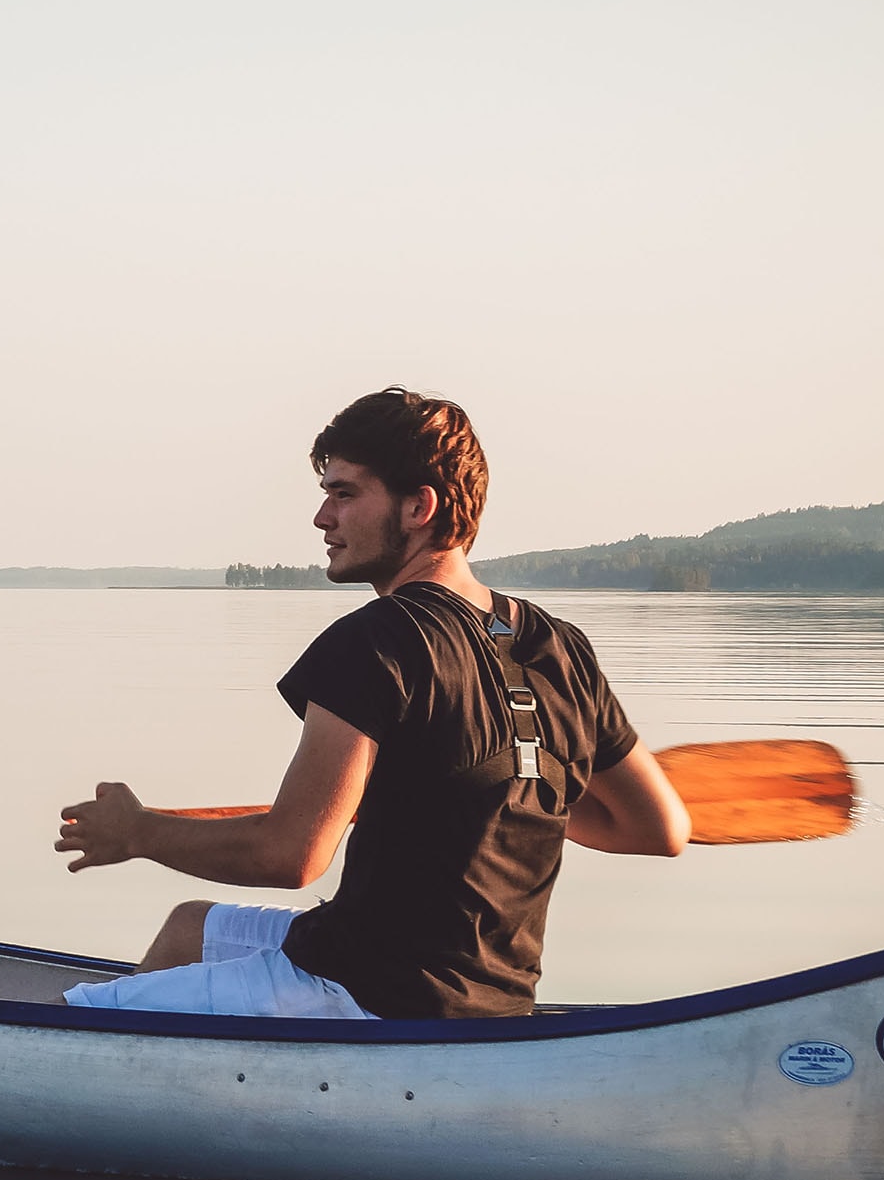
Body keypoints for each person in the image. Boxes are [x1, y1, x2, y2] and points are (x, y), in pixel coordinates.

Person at [55, 389, 687, 1020]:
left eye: (345, 494)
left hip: (362, 993)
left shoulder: (378, 641)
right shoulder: (562, 649)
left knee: (80, 1020)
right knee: (190, 929)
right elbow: (658, 829)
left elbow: (291, 855)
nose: (322, 518)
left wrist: (138, 833)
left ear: (419, 506)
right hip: (496, 1001)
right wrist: (477, 801)